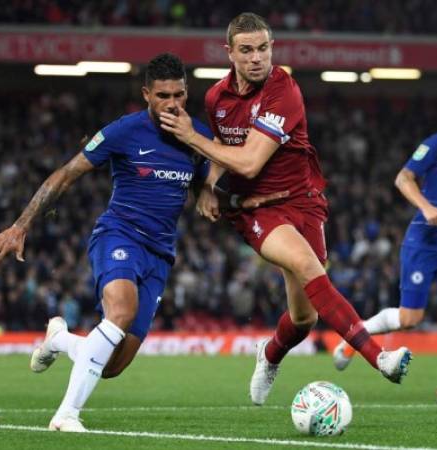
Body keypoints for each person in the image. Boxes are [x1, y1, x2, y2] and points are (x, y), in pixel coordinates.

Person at [0, 53, 287, 432]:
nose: (172, 103)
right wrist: (20, 225)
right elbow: (66, 174)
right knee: (120, 312)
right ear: (146, 95)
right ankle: (66, 415)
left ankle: (59, 339)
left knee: (111, 366)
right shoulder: (123, 131)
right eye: (162, 95)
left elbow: (209, 187)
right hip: (119, 235)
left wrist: (209, 190)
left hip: (160, 255)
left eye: (178, 94)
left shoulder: (199, 137)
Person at [158, 12, 412, 406]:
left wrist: (192, 136)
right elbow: (225, 151)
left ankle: (270, 353)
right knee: (310, 268)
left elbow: (247, 162)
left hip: (304, 203)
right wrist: (208, 183)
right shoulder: (215, 98)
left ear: (272, 48)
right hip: (257, 210)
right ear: (230, 53)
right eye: (247, 50)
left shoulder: (284, 91)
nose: (257, 57)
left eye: (263, 48)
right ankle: (379, 357)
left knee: (304, 319)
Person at [332, 83, 437, 405]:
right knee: (411, 319)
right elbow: (403, 178)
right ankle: (355, 336)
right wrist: (426, 207)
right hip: (425, 240)